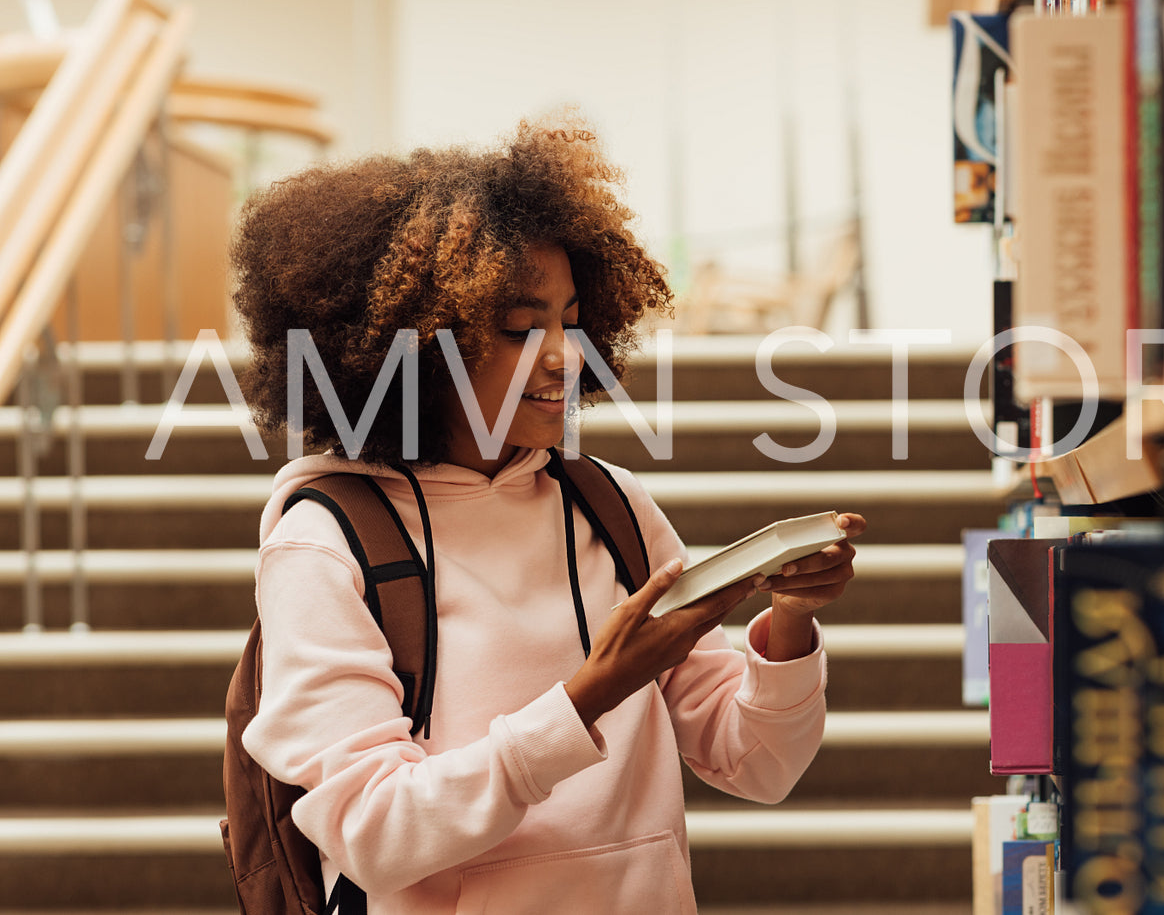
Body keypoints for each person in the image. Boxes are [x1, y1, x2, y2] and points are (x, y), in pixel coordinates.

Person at [229, 114, 866, 913]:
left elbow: (759, 765)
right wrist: (590, 696)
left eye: (571, 320)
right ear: (416, 345)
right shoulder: (327, 542)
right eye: (522, 329)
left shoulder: (609, 503)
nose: (566, 356)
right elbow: (376, 833)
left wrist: (791, 623)